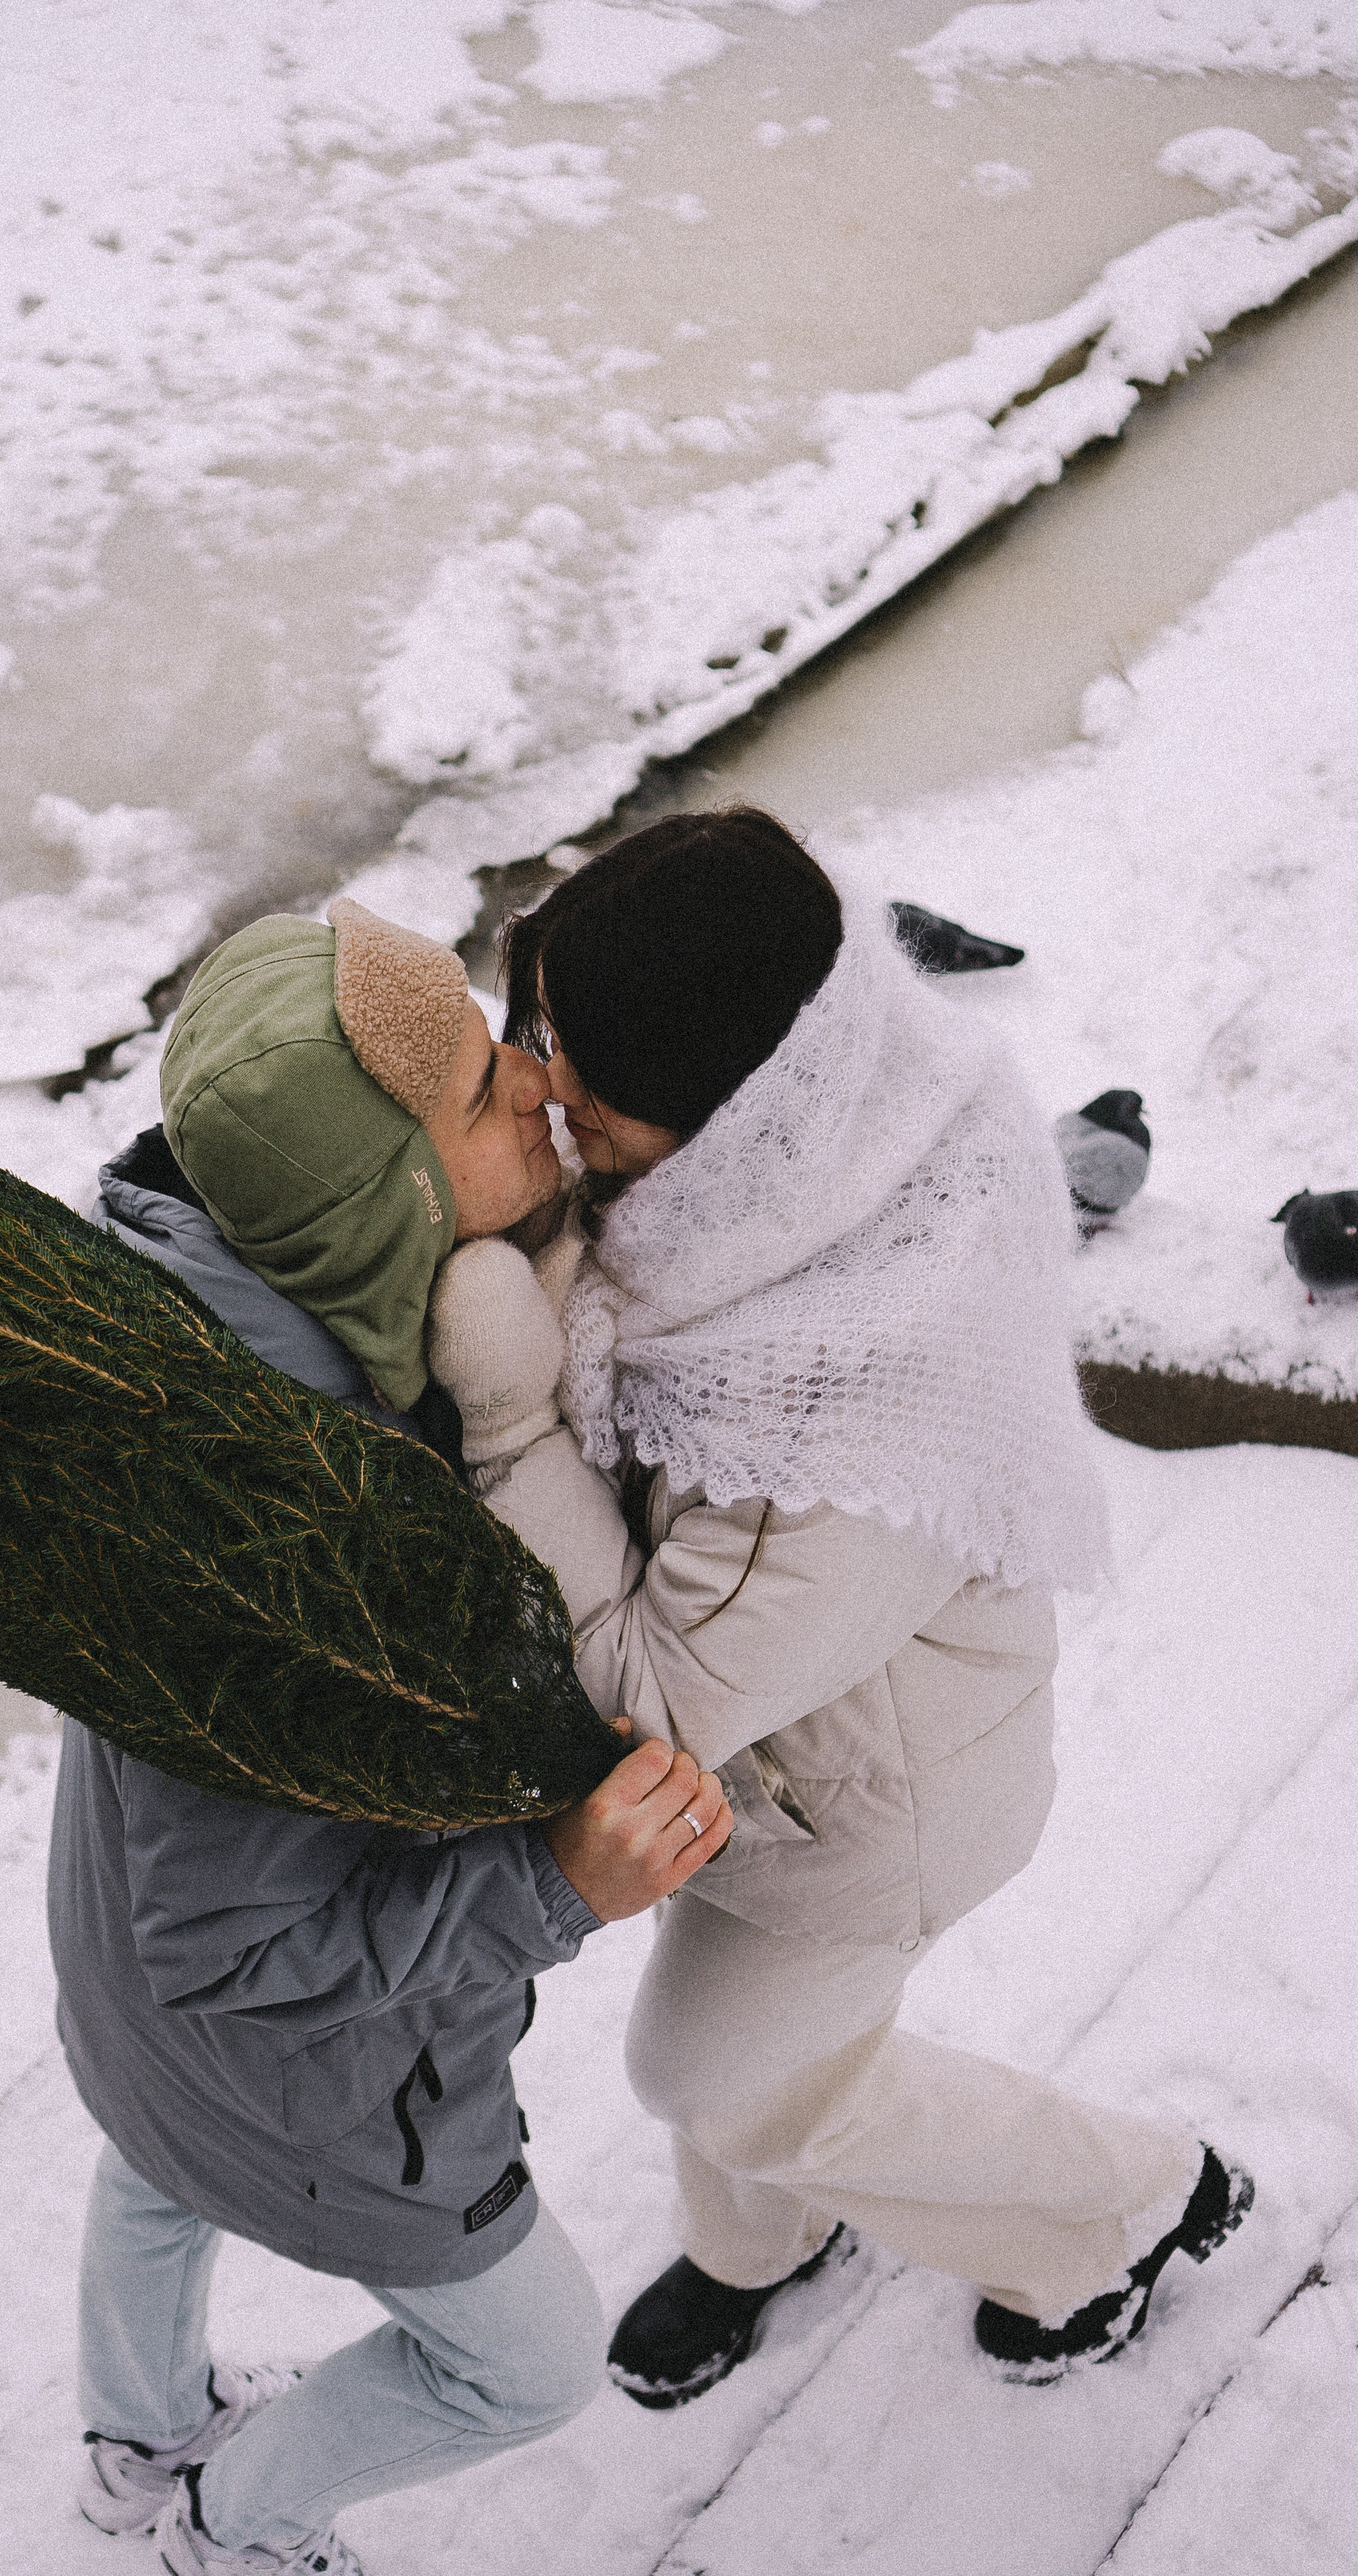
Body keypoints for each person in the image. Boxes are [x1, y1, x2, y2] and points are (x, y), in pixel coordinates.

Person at [427, 807, 1251, 2405]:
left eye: (582, 1084)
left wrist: (512, 1420)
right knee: (760, 2057)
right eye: (537, 1033)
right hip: (793, 1751)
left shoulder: (836, 1407)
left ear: (734, 1113)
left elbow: (660, 1694)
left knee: (714, 2073)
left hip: (871, 1808)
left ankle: (1127, 2207)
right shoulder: (832, 1131)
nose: (539, 1090)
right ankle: (762, 2247)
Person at [48, 897, 731, 2576]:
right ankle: (238, 2524)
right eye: (487, 1089)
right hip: (305, 2076)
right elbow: (236, 1948)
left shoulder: (176, 1338)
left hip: (131, 2013)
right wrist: (554, 1885)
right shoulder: (286, 1540)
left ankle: (137, 2437)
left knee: (153, 2161)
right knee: (528, 2364)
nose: (540, 1086)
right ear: (386, 1211)